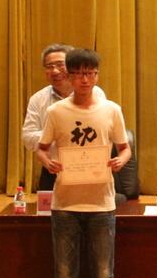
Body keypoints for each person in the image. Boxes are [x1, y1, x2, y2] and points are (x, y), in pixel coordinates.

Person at [34, 49, 130, 278]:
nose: (84, 80)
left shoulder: (111, 110)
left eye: (90, 73)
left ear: (97, 76)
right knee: (65, 277)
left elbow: (125, 147)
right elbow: (42, 148)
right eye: (78, 74)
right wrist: (48, 162)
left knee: (104, 277)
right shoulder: (57, 112)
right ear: (70, 76)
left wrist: (120, 160)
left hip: (102, 203)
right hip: (65, 203)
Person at [22, 43, 106, 191]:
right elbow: (28, 138)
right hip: (53, 167)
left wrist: (58, 136)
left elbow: (102, 132)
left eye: (60, 65)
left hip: (88, 165)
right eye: (49, 66)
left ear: (73, 67)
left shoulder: (95, 93)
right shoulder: (38, 99)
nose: (55, 71)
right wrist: (57, 135)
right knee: (50, 206)